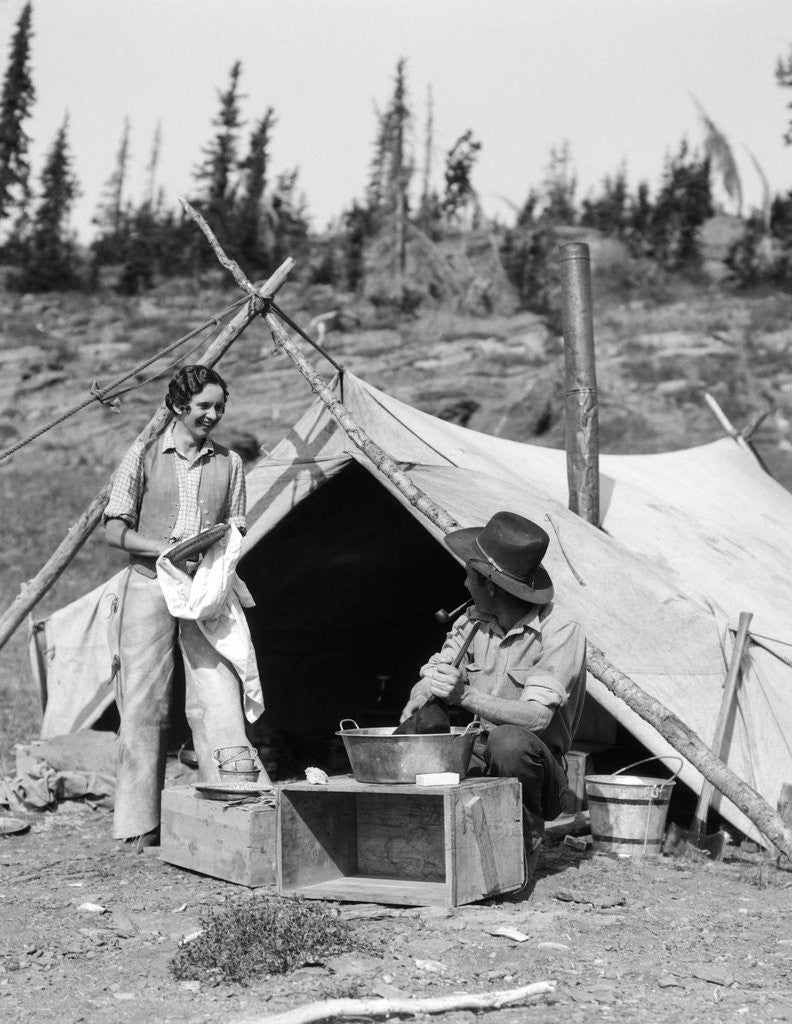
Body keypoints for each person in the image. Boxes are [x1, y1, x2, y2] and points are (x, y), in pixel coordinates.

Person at [104, 364, 270, 852]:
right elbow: (115, 531)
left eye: (220, 407)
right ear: (179, 406)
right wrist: (165, 548)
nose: (213, 415)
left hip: (203, 592)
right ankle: (138, 826)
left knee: (218, 694)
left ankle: (230, 818)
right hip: (149, 584)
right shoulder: (144, 455)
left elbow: (236, 528)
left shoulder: (230, 464)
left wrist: (214, 554)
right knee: (142, 704)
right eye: (203, 407)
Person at [400, 511, 586, 876]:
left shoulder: (560, 629)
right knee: (427, 719)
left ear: (491, 585)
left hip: (536, 766)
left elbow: (538, 717)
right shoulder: (470, 622)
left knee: (508, 741)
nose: (465, 585)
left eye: (471, 577)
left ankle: (519, 856)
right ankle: (415, 845)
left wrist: (465, 696)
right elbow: (435, 673)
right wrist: (420, 698)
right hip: (475, 751)